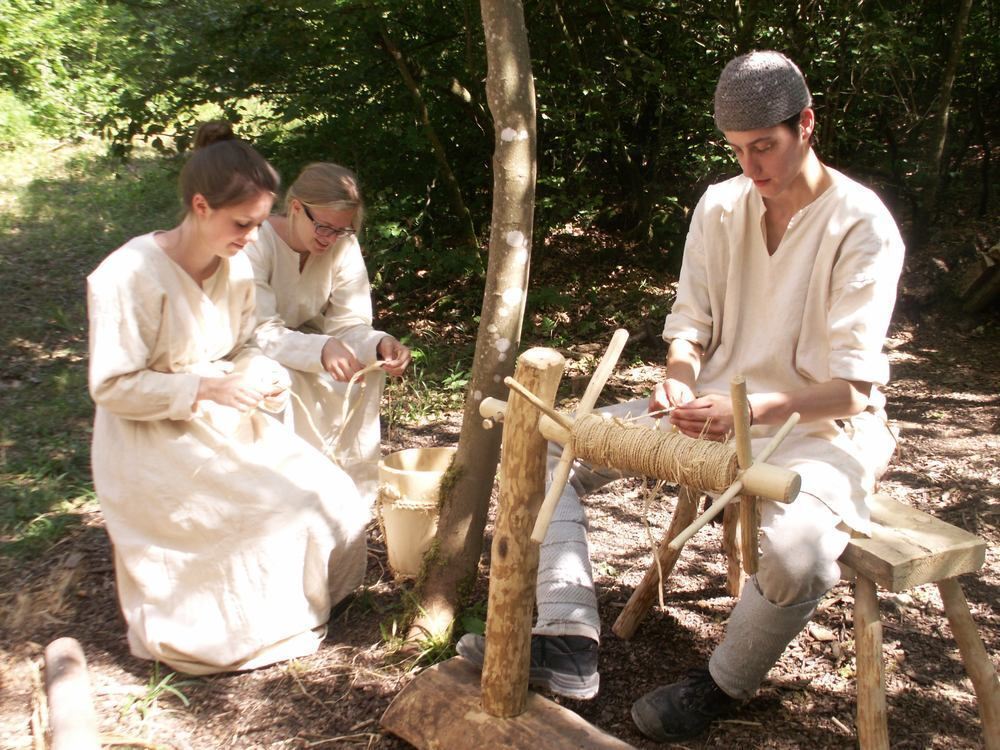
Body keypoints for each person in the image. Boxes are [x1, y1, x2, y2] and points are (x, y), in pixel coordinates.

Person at [457, 51, 903, 742]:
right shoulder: (722, 204)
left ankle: (723, 682)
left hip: (821, 428)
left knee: (798, 555)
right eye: (736, 150)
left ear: (806, 125)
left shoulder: (861, 225)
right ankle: (568, 635)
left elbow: (853, 388)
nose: (751, 168)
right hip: (710, 411)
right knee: (551, 443)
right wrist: (680, 373)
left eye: (764, 148)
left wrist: (750, 410)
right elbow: (689, 324)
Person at [87, 122, 371, 676]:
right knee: (276, 513)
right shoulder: (127, 275)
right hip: (151, 441)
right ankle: (229, 634)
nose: (250, 237)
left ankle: (298, 610)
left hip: (224, 420)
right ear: (199, 206)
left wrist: (261, 375)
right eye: (241, 224)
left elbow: (248, 343)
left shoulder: (236, 270)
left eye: (259, 224)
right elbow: (113, 386)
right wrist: (210, 386)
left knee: (330, 493)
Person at [245, 163, 411, 507]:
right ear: (295, 208)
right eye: (322, 226)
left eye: (341, 230)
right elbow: (260, 329)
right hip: (248, 347)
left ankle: (350, 499)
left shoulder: (342, 245)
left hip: (307, 340)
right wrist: (321, 349)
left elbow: (349, 322)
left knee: (368, 370)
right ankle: (285, 499)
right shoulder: (256, 241)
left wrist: (378, 344)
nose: (329, 238)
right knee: (276, 381)